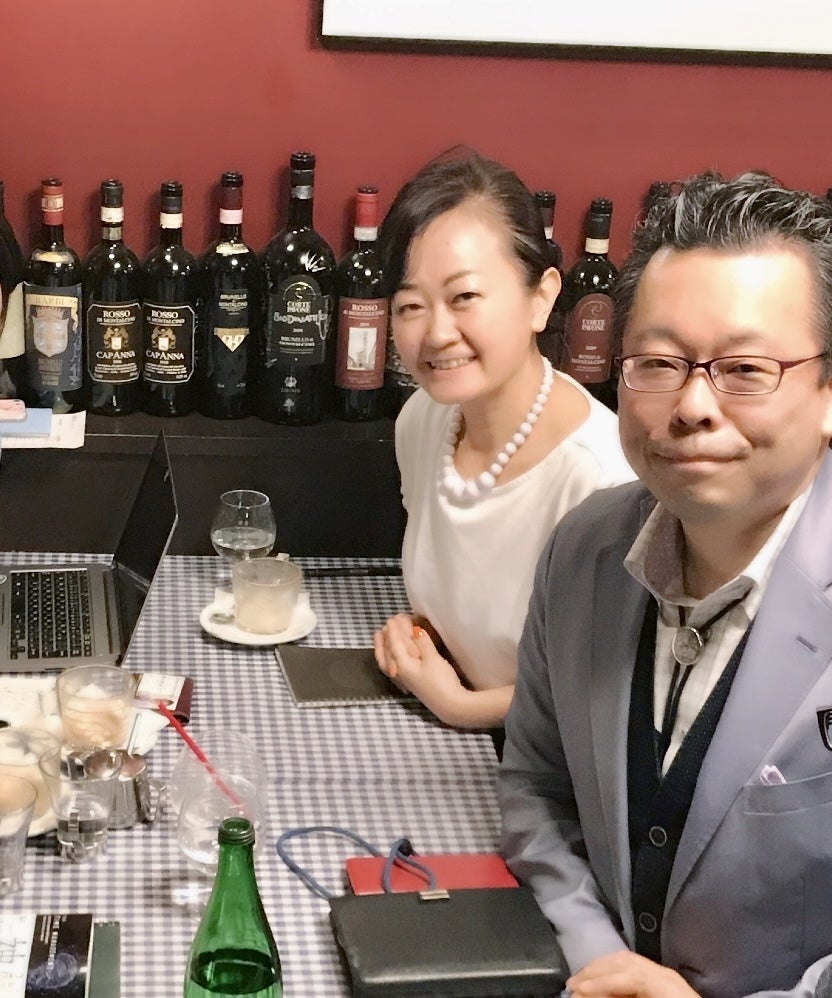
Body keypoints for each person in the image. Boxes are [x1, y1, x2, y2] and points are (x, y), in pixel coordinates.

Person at [498, 170, 832, 997]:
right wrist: (593, 952)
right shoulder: (584, 549)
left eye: (745, 368)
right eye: (657, 362)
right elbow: (537, 783)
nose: (691, 405)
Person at [372, 151, 634, 735]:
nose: (437, 333)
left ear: (541, 297)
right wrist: (419, 637)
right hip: (440, 730)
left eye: (464, 297)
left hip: (551, 765)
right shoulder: (423, 421)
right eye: (411, 306)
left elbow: (610, 691)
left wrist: (461, 707)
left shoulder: (601, 481)